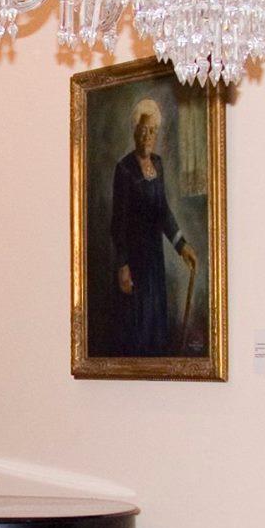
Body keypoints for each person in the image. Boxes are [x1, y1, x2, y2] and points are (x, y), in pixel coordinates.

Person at [109, 97, 198, 355]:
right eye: (144, 129)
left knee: (156, 322)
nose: (148, 136)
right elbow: (118, 223)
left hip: (154, 257)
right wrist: (122, 266)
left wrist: (182, 245)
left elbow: (163, 211)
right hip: (134, 260)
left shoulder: (158, 164)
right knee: (137, 325)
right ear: (135, 130)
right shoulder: (124, 169)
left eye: (153, 131)